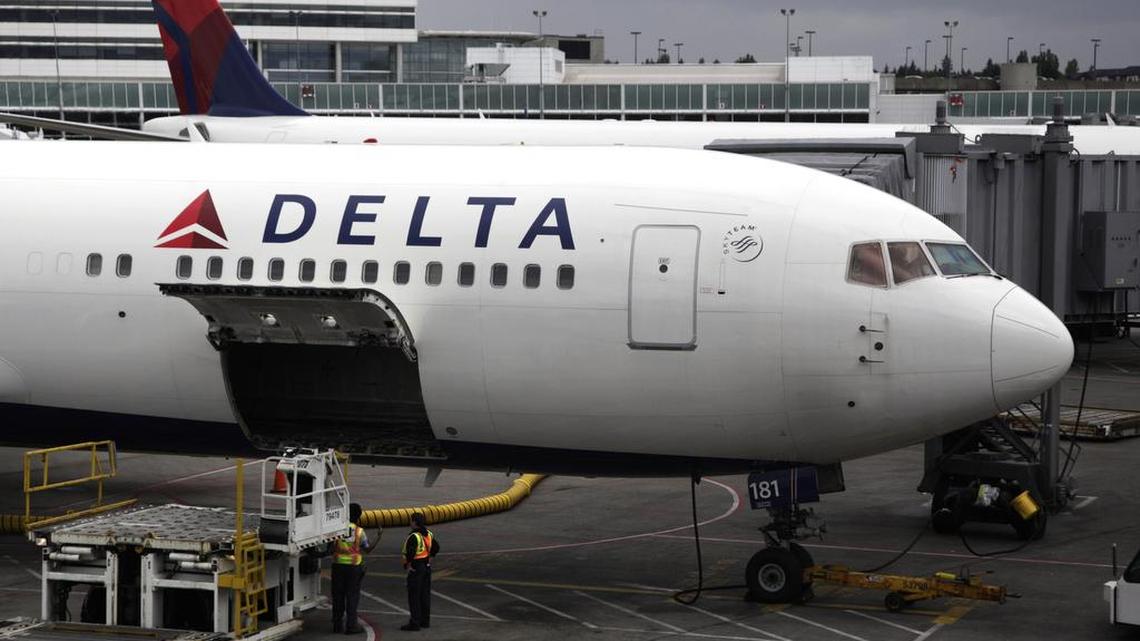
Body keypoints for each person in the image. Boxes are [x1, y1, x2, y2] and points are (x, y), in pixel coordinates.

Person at [331, 503, 380, 634]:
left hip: (338, 566)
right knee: (352, 597)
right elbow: (367, 549)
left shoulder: (338, 528)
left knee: (338, 596)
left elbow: (330, 546)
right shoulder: (359, 531)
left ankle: (337, 625)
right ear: (358, 516)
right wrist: (378, 537)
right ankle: (351, 626)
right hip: (353, 568)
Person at [400, 512, 439, 632]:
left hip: (417, 568)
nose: (410, 523)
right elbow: (436, 547)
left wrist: (408, 566)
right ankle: (425, 621)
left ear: (414, 522)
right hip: (426, 567)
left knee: (414, 596)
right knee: (424, 595)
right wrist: (430, 559)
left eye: (411, 520)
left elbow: (410, 553)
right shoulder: (428, 534)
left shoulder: (413, 536)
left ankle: (415, 623)